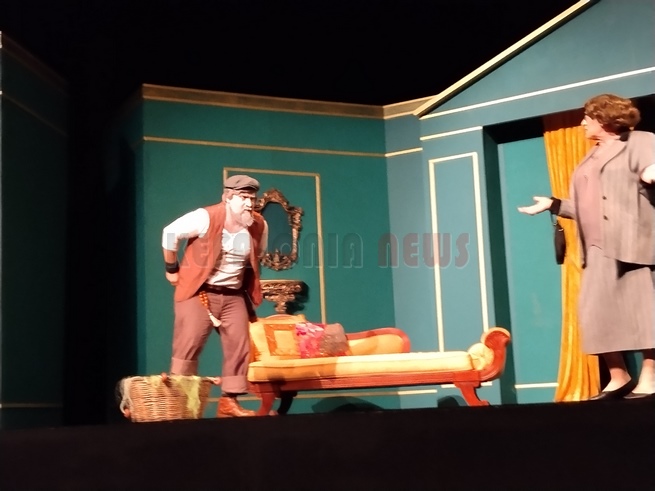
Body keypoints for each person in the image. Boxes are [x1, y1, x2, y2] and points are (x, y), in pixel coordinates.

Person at [518, 93, 655, 400]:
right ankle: (619, 376)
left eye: (587, 118)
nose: (582, 123)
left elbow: (650, 168)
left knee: (643, 312)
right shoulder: (590, 156)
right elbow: (589, 203)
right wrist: (554, 204)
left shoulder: (640, 141)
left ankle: (651, 375)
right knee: (594, 315)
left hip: (631, 243)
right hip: (595, 248)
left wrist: (650, 172)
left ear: (605, 119)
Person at [162, 174, 268, 417]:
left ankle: (229, 401)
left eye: (252, 198)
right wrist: (171, 268)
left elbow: (258, 253)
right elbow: (169, 233)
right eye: (243, 198)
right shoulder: (206, 217)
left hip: (233, 294)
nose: (249, 204)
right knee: (189, 344)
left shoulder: (258, 224)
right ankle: (180, 404)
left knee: (239, 344)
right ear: (228, 197)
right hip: (199, 291)